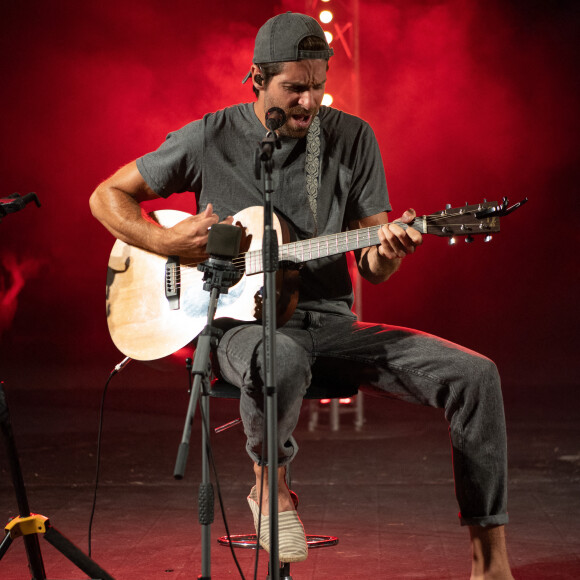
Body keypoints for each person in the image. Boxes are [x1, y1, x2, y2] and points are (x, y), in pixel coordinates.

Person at [90, 12, 514, 579]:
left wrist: (386, 251)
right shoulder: (210, 137)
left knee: (475, 375)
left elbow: (374, 264)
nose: (310, 100)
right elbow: (107, 196)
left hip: (331, 324)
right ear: (257, 80)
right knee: (280, 356)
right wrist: (166, 240)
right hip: (237, 329)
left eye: (317, 84)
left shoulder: (352, 138)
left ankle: (491, 562)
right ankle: (271, 489)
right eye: (295, 86)